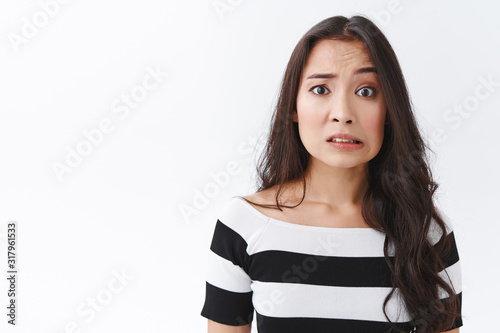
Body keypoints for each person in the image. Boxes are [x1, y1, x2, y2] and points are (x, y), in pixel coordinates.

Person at [200, 14, 463, 333]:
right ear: (293, 107)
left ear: (390, 110)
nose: (343, 114)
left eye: (366, 91)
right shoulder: (243, 225)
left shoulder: (426, 232)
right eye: (321, 89)